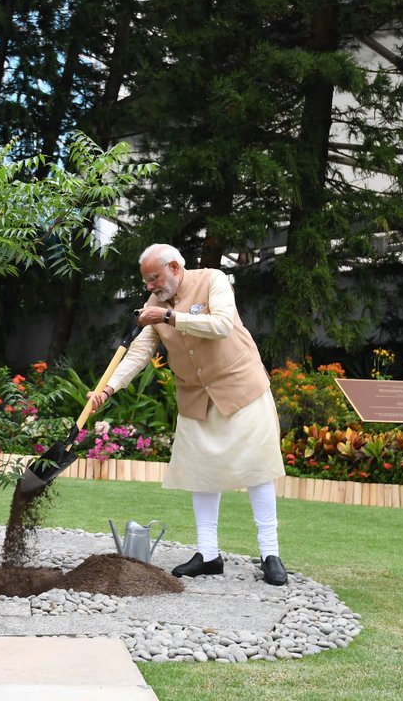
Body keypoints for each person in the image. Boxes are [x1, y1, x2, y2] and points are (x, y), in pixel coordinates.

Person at [91, 244, 288, 585]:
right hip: (195, 397)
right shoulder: (154, 305)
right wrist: (108, 388)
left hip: (242, 388)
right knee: (201, 473)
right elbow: (139, 353)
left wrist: (169, 316)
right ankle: (208, 554)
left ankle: (270, 553)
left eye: (154, 278)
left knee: (258, 468)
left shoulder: (213, 280)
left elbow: (222, 325)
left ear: (175, 268)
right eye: (146, 280)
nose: (150, 286)